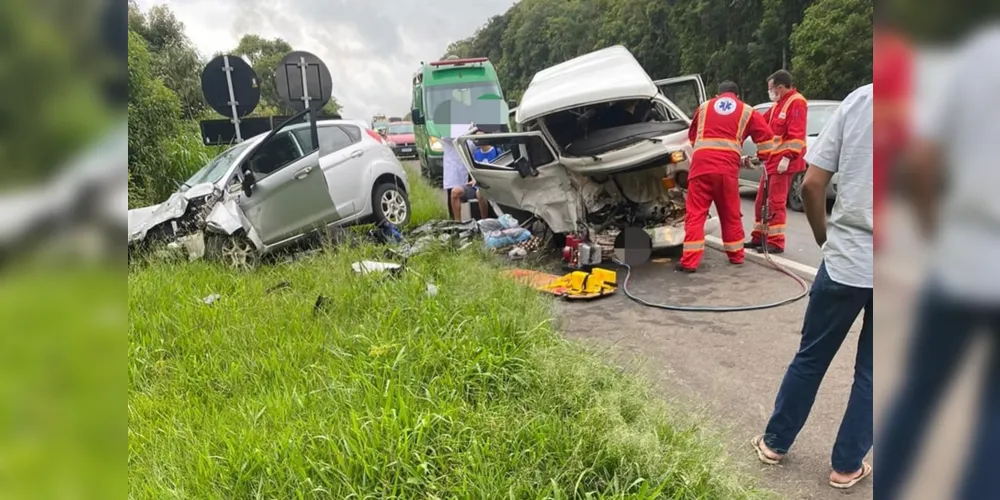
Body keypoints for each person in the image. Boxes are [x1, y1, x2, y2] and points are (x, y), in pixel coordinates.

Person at [876, 26, 1000, 500]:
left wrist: (933, 231)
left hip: (962, 255)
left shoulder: (980, 55)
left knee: (918, 392)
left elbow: (923, 158)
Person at [750, 83, 873, 490]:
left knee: (811, 356)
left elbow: (812, 184)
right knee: (875, 374)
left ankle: (774, 443)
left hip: (845, 261)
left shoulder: (860, 100)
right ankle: (846, 466)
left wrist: (826, 241)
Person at [678, 81, 774, 272]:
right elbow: (767, 139)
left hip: (701, 168)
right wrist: (762, 157)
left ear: (717, 95)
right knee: (730, 214)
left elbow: (692, 137)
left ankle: (689, 262)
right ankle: (736, 255)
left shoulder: (704, 107)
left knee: (696, 215)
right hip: (726, 171)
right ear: (736, 96)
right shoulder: (747, 111)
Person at [747, 69, 808, 254]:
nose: (770, 92)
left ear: (780, 87)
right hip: (773, 161)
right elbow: (760, 125)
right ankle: (759, 237)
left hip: (784, 162)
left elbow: (796, 135)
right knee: (761, 201)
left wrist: (787, 157)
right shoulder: (778, 106)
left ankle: (776, 241)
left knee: (775, 201)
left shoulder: (796, 102)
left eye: (771, 89)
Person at [443, 126, 489, 221]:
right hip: (454, 169)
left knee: (477, 195)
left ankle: (482, 222)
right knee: (453, 194)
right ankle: (456, 224)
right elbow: (450, 135)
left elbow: (472, 145)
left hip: (469, 169)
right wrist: (469, 130)